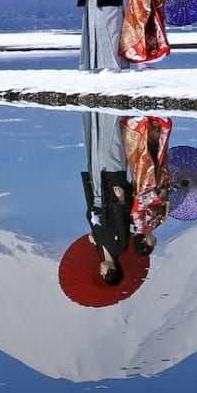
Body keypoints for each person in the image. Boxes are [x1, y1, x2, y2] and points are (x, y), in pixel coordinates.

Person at [80, 111, 132, 283]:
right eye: (104, 273)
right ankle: (111, 112)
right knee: (110, 146)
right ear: (113, 270)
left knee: (95, 146)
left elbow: (95, 218)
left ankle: (94, 111)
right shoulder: (119, 247)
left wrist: (94, 235)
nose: (100, 271)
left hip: (97, 191)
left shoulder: (101, 247)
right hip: (111, 190)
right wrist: (122, 200)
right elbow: (121, 221)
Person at [120, 115, 173, 256]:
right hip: (157, 184)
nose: (154, 244)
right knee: (158, 154)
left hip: (146, 184)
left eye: (151, 246)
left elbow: (138, 204)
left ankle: (141, 124)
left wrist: (157, 196)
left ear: (143, 241)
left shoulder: (139, 224)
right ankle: (156, 124)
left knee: (145, 154)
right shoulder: (153, 223)